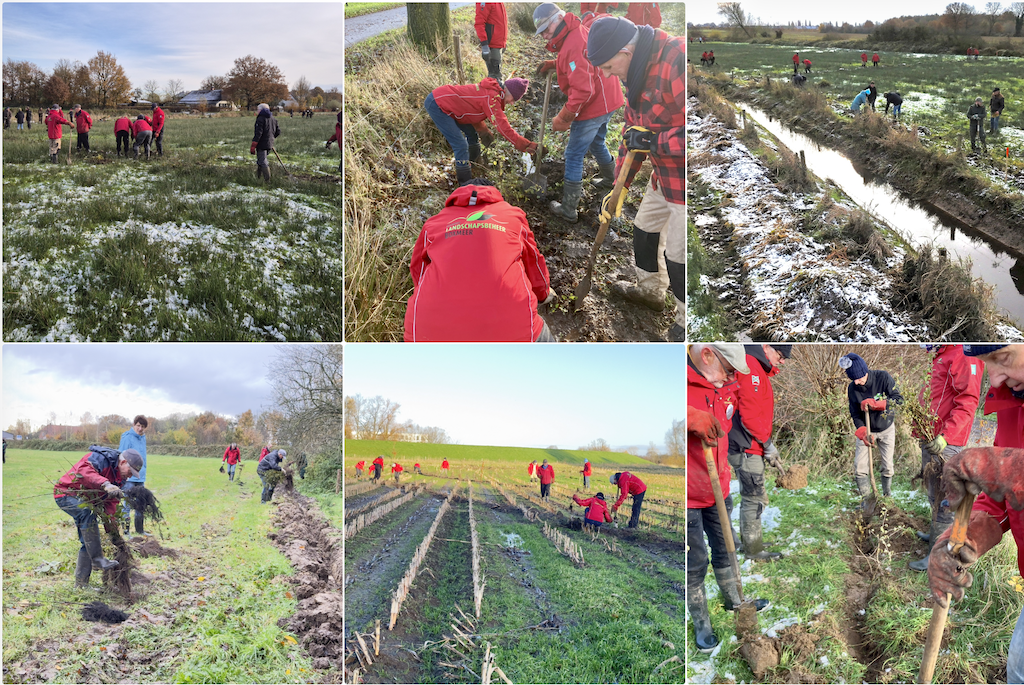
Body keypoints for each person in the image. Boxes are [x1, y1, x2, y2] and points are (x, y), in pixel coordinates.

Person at [586, 15, 685, 342]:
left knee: (679, 257)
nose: (607, 74)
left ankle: (686, 323)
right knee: (644, 231)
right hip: (663, 178)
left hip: (687, 184)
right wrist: (618, 189)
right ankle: (651, 292)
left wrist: (656, 143)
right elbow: (632, 136)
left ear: (626, 51)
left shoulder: (676, 60)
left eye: (609, 66)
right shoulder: (637, 75)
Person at [928, 344, 1023, 683]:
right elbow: (1002, 500)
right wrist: (967, 535)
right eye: (986, 363)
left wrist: (1010, 468)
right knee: (1019, 671)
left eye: (1003, 358)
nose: (993, 377)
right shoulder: (1014, 398)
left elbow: (1013, 476)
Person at [687, 343, 768, 652]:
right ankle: (702, 621)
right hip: (689, 495)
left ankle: (735, 600)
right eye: (729, 370)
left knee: (727, 547)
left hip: (716, 487)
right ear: (708, 355)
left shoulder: (723, 387)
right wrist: (690, 416)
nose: (731, 378)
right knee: (694, 561)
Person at [403, 179, 555, 342]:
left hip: (426, 332)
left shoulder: (434, 223)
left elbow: (418, 272)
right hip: (512, 331)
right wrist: (543, 293)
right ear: (494, 193)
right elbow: (533, 261)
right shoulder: (512, 216)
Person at [533, 3, 624, 222]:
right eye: (541, 31)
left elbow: (583, 90)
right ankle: (609, 177)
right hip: (608, 98)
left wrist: (564, 117)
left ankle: (568, 209)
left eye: (547, 28)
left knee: (573, 154)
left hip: (594, 104)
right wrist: (556, 63)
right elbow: (582, 64)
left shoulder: (572, 44)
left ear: (559, 19)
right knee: (597, 142)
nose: (545, 35)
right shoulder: (575, 29)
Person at [908, 345, 984, 572]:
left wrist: (946, 435)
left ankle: (938, 558)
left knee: (945, 500)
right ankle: (935, 536)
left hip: (947, 442)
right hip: (931, 437)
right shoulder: (941, 354)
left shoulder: (962, 353)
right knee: (934, 493)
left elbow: (968, 401)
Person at [728, 344, 792, 561]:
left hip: (750, 446)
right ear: (766, 347)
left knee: (755, 497)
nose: (781, 361)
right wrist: (767, 444)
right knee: (753, 498)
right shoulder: (751, 367)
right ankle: (753, 551)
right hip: (746, 446)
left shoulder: (756, 367)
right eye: (780, 355)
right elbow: (750, 414)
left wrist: (764, 446)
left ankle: (751, 541)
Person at [55, 446, 144, 588]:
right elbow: (83, 471)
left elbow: (110, 508)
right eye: (130, 471)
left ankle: (81, 585)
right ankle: (97, 559)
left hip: (83, 500)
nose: (131, 476)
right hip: (66, 493)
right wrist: (105, 484)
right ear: (123, 462)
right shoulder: (101, 459)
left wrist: (115, 537)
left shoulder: (119, 480)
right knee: (87, 513)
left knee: (87, 541)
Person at [424, 76, 537, 185]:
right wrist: (526, 145)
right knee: (460, 145)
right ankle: (465, 183)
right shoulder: (492, 98)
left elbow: (472, 108)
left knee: (472, 134)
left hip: (452, 105)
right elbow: (503, 127)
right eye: (513, 99)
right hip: (438, 104)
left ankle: (473, 165)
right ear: (508, 90)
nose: (512, 103)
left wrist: (483, 130)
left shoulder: (494, 92)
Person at [840, 352, 904, 499]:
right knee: (860, 468)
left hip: (886, 428)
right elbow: (855, 413)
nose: (856, 382)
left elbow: (899, 400)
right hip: (867, 430)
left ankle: (887, 497)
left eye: (858, 378)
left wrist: (878, 404)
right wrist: (862, 430)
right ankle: (868, 501)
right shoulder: (852, 388)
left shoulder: (883, 377)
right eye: (853, 379)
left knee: (888, 467)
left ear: (865, 372)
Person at [118, 415, 149, 537]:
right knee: (127, 503)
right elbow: (121, 456)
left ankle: (140, 530)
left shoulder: (143, 438)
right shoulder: (127, 437)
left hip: (140, 476)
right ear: (134, 425)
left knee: (141, 503)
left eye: (142, 426)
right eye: (138, 425)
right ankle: (126, 531)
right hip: (130, 477)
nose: (140, 429)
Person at [475, 2, 508, 81]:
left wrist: (503, 42)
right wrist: (484, 45)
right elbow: (479, 23)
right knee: (495, 77)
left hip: (498, 43)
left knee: (497, 75)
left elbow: (499, 21)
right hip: (492, 46)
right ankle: (494, 93)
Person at [251, 103, 280, 181]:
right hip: (269, 144)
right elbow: (278, 132)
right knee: (261, 160)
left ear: (261, 110)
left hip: (262, 144)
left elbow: (258, 133)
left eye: (258, 109)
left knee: (263, 161)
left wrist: (253, 145)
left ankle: (267, 180)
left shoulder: (260, 119)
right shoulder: (273, 118)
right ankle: (258, 178)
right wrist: (271, 138)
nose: (257, 111)